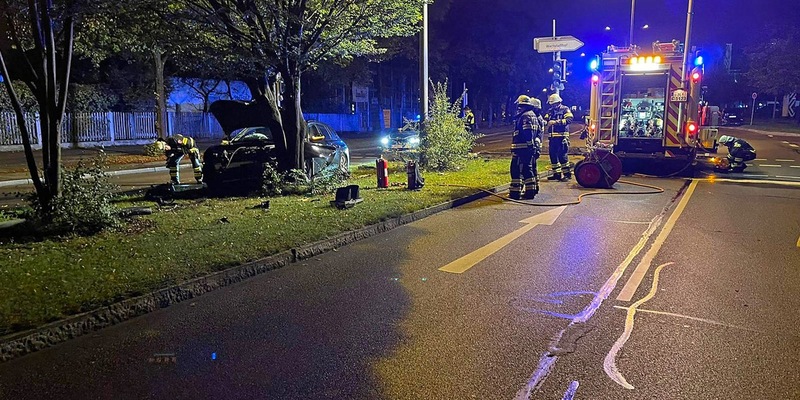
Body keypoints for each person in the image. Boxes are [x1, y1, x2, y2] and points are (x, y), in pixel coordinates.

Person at [509, 95, 543, 200]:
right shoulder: (532, 115)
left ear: (521, 105)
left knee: (516, 170)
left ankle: (515, 193)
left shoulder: (525, 116)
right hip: (526, 148)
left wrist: (529, 144)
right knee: (527, 169)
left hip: (522, 148)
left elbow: (527, 132)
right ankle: (530, 191)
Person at [543, 93, 574, 181]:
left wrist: (556, 122)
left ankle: (567, 175)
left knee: (562, 156)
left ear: (558, 102)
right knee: (553, 156)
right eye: (551, 104)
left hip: (562, 137)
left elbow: (569, 119)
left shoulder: (565, 109)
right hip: (552, 138)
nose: (553, 106)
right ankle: (556, 174)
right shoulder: (550, 111)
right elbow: (546, 119)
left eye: (553, 104)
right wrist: (544, 122)